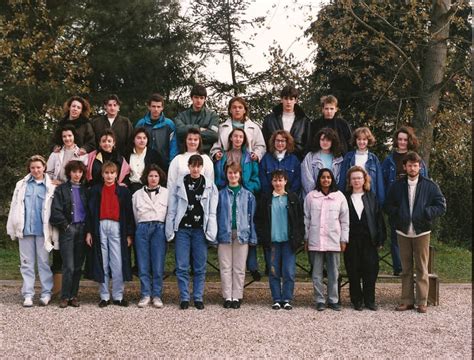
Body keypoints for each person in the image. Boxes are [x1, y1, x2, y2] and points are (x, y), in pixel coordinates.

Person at [385, 152, 446, 314]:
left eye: (415, 165)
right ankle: (406, 301)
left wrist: (427, 213)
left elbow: (441, 205)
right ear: (405, 167)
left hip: (422, 231)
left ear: (420, 166)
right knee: (405, 268)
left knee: (421, 267)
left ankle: (422, 301)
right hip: (403, 231)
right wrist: (398, 213)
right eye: (409, 165)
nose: (412, 168)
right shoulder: (397, 185)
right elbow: (388, 205)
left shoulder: (430, 185)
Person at [165, 155, 218, 310]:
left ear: (202, 167)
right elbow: (173, 207)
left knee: (200, 266)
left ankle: (198, 297)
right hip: (182, 229)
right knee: (182, 265)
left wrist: (211, 230)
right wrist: (170, 227)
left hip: (199, 229)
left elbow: (212, 210)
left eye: (198, 166)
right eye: (192, 166)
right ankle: (184, 297)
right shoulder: (179, 184)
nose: (195, 169)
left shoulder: (209, 185)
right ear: (188, 166)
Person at [6, 155, 55, 307]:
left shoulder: (51, 186)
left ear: (44, 168)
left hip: (43, 231)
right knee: (26, 263)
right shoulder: (21, 185)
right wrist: (12, 227)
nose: (36, 170)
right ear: (29, 169)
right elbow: (15, 206)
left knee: (44, 263)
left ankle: (46, 293)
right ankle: (28, 294)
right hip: (25, 229)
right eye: (33, 167)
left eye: (38, 167)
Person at [85, 161, 134, 307]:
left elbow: (129, 214)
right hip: (100, 226)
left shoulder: (123, 191)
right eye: (106, 173)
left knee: (117, 262)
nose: (109, 176)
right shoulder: (95, 190)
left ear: (117, 174)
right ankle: (104, 295)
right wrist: (88, 232)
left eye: (112, 173)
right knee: (103, 262)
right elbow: (89, 212)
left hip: (117, 226)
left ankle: (118, 295)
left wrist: (129, 234)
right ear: (102, 174)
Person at [381, 126, 428, 276]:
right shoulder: (389, 160)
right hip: (396, 201)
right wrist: (387, 205)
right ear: (396, 141)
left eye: (405, 139)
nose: (402, 142)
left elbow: (425, 182)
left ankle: (416, 268)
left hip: (414, 201)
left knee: (416, 237)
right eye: (399, 139)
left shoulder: (416, 158)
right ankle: (399, 268)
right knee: (396, 236)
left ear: (409, 141)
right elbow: (382, 182)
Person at [257, 170, 304, 310]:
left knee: (289, 271)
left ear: (285, 181)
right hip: (272, 242)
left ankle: (287, 298)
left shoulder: (293, 198)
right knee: (274, 271)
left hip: (289, 242)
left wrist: (299, 237)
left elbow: (299, 220)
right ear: (271, 182)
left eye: (280, 180)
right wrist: (263, 236)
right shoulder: (266, 199)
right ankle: (277, 298)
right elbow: (259, 220)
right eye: (275, 180)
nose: (278, 183)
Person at [304, 168, 349, 311]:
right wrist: (306, 238)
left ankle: (333, 299)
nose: (326, 180)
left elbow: (345, 220)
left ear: (332, 179)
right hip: (315, 240)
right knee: (316, 273)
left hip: (333, 240)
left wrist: (343, 239)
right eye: (323, 177)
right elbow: (306, 219)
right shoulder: (311, 196)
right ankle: (319, 300)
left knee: (333, 273)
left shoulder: (339, 196)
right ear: (319, 179)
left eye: (328, 177)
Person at [343, 166, 386, 311]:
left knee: (370, 271)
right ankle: (357, 301)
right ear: (350, 180)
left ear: (364, 179)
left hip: (369, 240)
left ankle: (370, 300)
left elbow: (378, 219)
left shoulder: (371, 197)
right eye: (353, 178)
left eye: (359, 178)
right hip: (351, 239)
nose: (356, 181)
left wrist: (380, 239)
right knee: (353, 270)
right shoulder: (344, 197)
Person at [216, 162, 257, 309]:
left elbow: (252, 217)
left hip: (242, 234)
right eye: (230, 173)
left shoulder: (248, 196)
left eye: (235, 173)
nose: (233, 176)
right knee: (225, 266)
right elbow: (216, 215)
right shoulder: (220, 195)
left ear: (240, 175)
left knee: (239, 267)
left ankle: (237, 296)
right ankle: (227, 296)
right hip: (224, 233)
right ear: (226, 175)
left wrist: (253, 236)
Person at [49, 160, 89, 308]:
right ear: (69, 173)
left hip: (82, 230)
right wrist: (66, 226)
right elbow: (56, 212)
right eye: (74, 171)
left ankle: (74, 295)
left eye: (79, 172)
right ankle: (64, 296)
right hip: (68, 230)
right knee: (69, 266)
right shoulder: (61, 189)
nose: (77, 174)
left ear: (82, 173)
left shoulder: (86, 190)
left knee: (78, 266)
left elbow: (90, 212)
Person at [132, 164, 169, 309]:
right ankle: (145, 294)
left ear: (160, 178)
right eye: (150, 176)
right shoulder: (137, 195)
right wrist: (142, 226)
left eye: (156, 176)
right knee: (143, 262)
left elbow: (169, 212)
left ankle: (157, 295)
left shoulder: (166, 193)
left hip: (159, 228)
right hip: (142, 227)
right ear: (145, 177)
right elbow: (135, 215)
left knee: (158, 263)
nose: (153, 179)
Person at [262, 85, 311, 161]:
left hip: (296, 163)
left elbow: (307, 145)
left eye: (291, 99)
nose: (288, 102)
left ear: (296, 100)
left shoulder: (304, 121)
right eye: (286, 98)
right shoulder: (269, 119)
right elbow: (264, 142)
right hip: (274, 162)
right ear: (281, 100)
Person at [211, 96, 266, 162]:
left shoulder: (254, 127)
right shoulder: (222, 128)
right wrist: (216, 153)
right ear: (230, 110)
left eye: (240, 107)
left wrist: (256, 154)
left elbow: (261, 145)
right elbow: (216, 146)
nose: (237, 110)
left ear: (244, 110)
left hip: (248, 163)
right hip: (227, 164)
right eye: (234, 107)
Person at [338, 127, 384, 205]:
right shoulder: (348, 157)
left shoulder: (373, 158)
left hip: (369, 196)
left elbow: (379, 181)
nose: (361, 142)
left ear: (368, 141)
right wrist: (340, 196)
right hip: (351, 195)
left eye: (364, 139)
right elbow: (342, 178)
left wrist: (381, 200)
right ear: (355, 140)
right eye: (359, 139)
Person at [135, 93, 178, 170]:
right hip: (144, 165)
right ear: (149, 107)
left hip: (164, 165)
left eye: (158, 107)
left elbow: (173, 145)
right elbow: (135, 144)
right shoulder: (141, 124)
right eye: (153, 106)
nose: (156, 109)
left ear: (162, 107)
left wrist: (171, 163)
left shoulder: (169, 124)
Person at [174, 84, 219, 153]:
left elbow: (214, 136)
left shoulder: (212, 115)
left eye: (201, 98)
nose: (198, 100)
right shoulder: (181, 116)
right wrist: (199, 128)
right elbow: (180, 132)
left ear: (205, 99)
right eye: (196, 97)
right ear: (192, 98)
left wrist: (188, 131)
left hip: (205, 155)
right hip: (185, 154)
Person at [214, 128, 260, 194]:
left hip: (246, 193)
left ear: (244, 139)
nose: (238, 139)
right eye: (235, 136)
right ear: (231, 138)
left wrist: (250, 188)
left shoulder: (250, 157)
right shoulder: (222, 156)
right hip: (226, 193)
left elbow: (255, 177)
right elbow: (218, 177)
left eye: (241, 137)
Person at [301, 127, 343, 199]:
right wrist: (316, 194)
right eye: (322, 140)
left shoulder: (338, 158)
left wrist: (332, 194)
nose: (325, 142)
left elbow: (339, 179)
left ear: (333, 142)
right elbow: (307, 178)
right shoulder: (310, 156)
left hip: (333, 198)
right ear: (318, 141)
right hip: (314, 198)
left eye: (328, 140)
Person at [259, 130, 301, 195]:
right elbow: (262, 179)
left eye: (283, 141)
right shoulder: (266, 159)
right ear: (273, 142)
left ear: (287, 142)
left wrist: (288, 194)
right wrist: (271, 194)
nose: (280, 143)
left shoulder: (294, 160)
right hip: (269, 198)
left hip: (289, 197)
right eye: (277, 140)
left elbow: (297, 180)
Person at [126, 127, 165, 194]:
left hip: (149, 188)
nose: (142, 140)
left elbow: (161, 174)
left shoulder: (154, 155)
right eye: (139, 138)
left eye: (144, 138)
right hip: (131, 188)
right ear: (133, 139)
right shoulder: (127, 154)